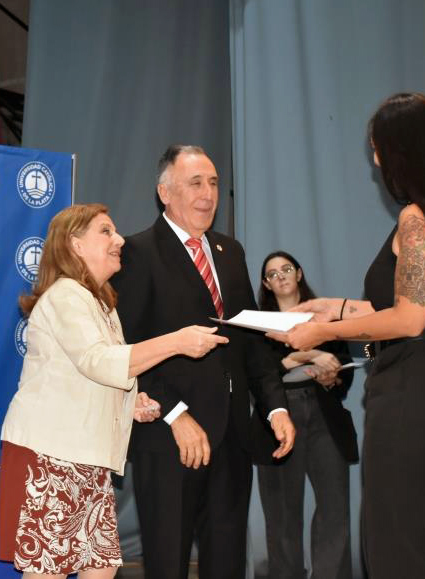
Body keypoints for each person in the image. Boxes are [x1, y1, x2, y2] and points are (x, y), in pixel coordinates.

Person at [274, 93, 425, 579]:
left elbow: (409, 320)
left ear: (402, 150)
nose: (375, 160)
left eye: (378, 148)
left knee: (396, 553)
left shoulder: (417, 217)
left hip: (416, 389)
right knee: (417, 544)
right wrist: (337, 307)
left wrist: (323, 330)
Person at [0, 203, 228, 579]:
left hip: (87, 458)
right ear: (74, 245)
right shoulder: (66, 294)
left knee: (101, 568)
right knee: (48, 572)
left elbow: (91, 374)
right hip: (51, 456)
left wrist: (130, 402)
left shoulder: (100, 302)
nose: (119, 239)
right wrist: (177, 342)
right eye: (106, 231)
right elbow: (99, 361)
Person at [110, 145, 295, 579]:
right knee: (168, 563)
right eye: (195, 183)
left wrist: (276, 407)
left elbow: (251, 342)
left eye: (213, 183)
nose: (208, 194)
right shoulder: (137, 252)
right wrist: (176, 415)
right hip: (169, 437)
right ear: (165, 192)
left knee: (227, 562)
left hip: (232, 438)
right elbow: (128, 347)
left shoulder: (231, 252)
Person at [251, 250, 358, 579]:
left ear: (299, 274)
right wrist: (306, 356)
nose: (280, 276)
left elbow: (348, 364)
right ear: (266, 284)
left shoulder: (326, 317)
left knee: (334, 506)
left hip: (324, 412)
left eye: (286, 269)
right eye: (272, 273)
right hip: (279, 417)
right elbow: (259, 373)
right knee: (282, 513)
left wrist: (332, 377)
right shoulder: (257, 325)